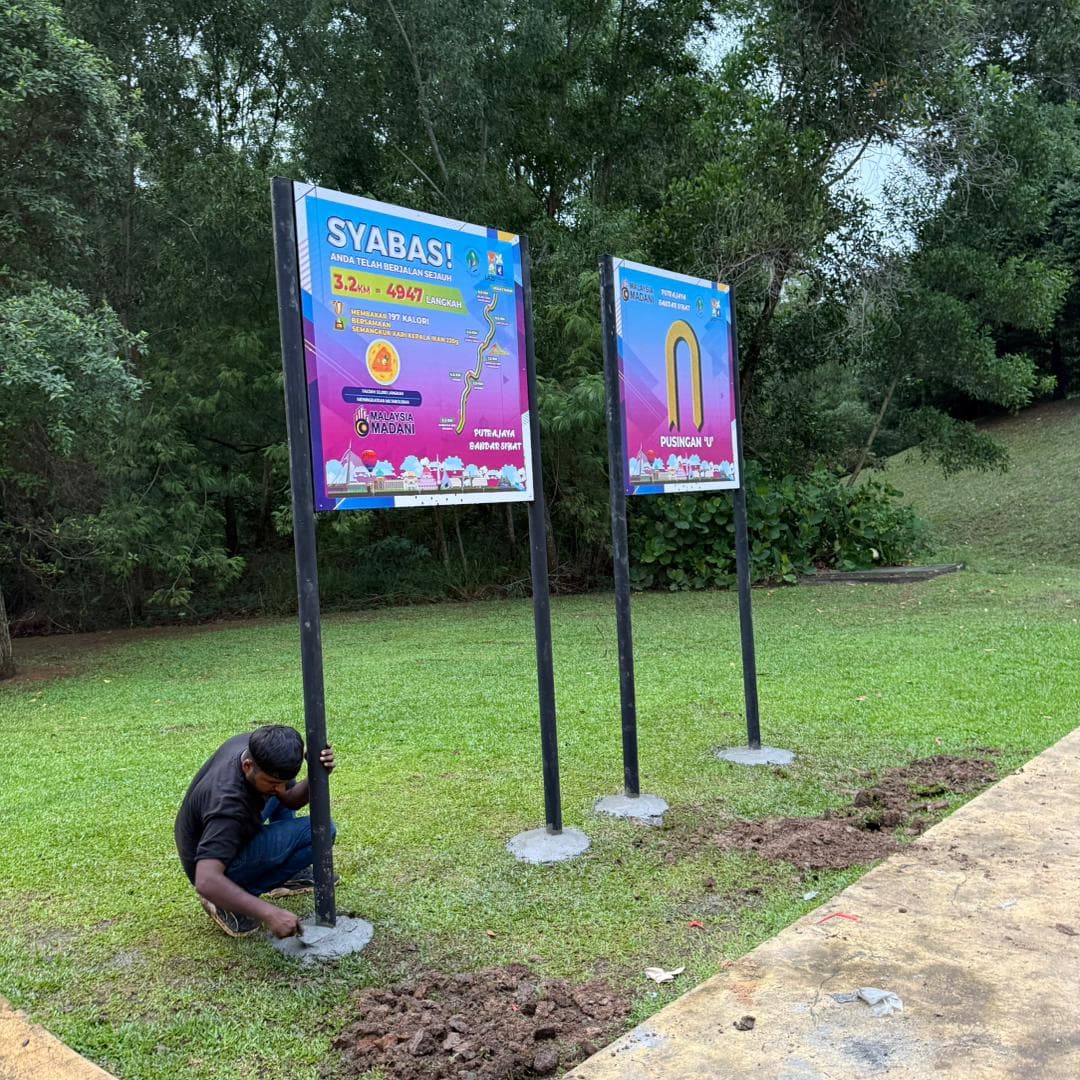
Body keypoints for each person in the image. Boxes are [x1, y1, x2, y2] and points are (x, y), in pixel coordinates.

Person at [175, 724, 337, 938]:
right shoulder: (228, 806)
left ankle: (285, 877)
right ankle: (226, 900)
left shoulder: (261, 751)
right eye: (274, 783)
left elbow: (289, 799)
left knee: (273, 792)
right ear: (248, 766)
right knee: (320, 832)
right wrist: (270, 913)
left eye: (282, 782)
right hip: (213, 868)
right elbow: (206, 881)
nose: (280, 789)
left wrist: (315, 772)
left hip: (223, 835)